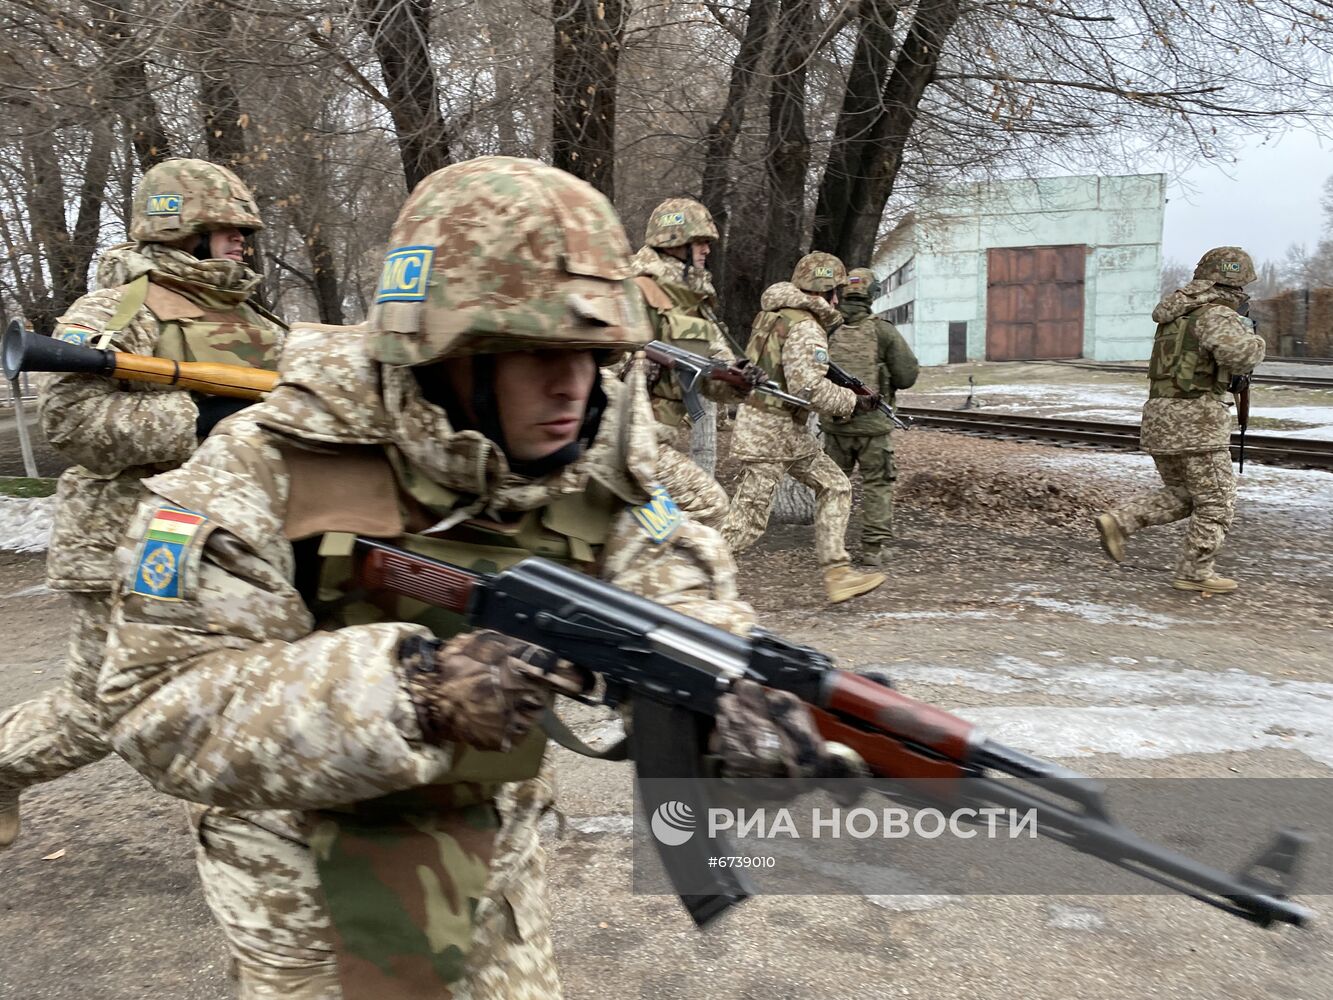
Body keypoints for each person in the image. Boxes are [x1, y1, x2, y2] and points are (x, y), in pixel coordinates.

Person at [97, 157, 850, 999]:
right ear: (441, 348)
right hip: (305, 892)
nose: (573, 382)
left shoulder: (595, 444)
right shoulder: (263, 466)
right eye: (534, 350)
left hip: (495, 867)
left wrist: (726, 695)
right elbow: (154, 705)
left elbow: (673, 584)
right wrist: (410, 690)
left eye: (594, 349)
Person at [0, 158, 284, 849]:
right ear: (181, 230)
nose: (241, 241)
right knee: (100, 710)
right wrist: (198, 419)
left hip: (233, 539)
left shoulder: (252, 316)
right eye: (226, 229)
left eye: (246, 229)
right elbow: (70, 423)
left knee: (252, 688)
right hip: (130, 544)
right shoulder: (118, 309)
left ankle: (257, 840)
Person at [1094, 246, 1266, 593]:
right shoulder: (1216, 314)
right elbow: (1241, 354)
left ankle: (1120, 522)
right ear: (1234, 283)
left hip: (1162, 418)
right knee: (1217, 500)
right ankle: (1195, 572)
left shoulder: (1177, 313)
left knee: (1186, 494)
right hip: (1197, 422)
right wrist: (1257, 339)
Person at [721, 252, 886, 603]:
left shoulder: (775, 316)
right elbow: (807, 386)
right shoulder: (807, 327)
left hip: (780, 431)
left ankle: (838, 573)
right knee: (746, 523)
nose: (839, 300)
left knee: (836, 486)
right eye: (835, 291)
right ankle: (692, 574)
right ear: (825, 291)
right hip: (771, 433)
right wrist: (852, 402)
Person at [627, 197, 759, 528]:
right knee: (709, 506)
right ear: (675, 242)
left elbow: (715, 375)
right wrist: (633, 369)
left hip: (658, 438)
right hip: (626, 437)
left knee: (650, 525)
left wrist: (739, 380)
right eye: (700, 241)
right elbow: (595, 359)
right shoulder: (634, 290)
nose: (707, 250)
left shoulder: (694, 303)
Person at [821, 267, 919, 567]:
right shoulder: (883, 331)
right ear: (872, 294)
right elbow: (906, 376)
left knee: (833, 487)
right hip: (874, 427)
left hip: (835, 425)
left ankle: (830, 546)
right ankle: (873, 548)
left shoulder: (827, 329)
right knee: (877, 483)